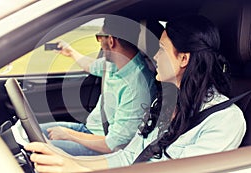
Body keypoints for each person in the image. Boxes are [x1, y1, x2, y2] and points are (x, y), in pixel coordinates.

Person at [26, 15, 246, 172]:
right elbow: (128, 157)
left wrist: (79, 169)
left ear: (183, 59)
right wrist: (69, 162)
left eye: (161, 50)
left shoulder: (225, 120)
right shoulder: (163, 105)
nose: (155, 57)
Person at [39, 15, 158, 156]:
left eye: (100, 37)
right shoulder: (114, 65)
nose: (99, 43)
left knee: (38, 149)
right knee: (32, 132)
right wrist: (70, 52)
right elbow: (90, 65)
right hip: (88, 131)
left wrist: (69, 135)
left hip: (102, 148)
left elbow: (113, 145)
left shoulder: (137, 87)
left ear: (111, 41)